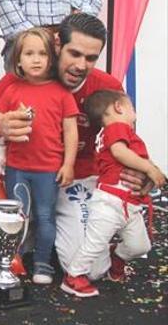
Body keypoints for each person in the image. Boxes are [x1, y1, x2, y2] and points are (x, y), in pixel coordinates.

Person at [0, 13, 134, 280]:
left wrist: (138, 174)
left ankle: (58, 230)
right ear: (57, 45)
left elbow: (126, 141)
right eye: (74, 53)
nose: (80, 65)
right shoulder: (21, 79)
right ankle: (33, 230)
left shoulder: (107, 87)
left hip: (74, 181)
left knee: (92, 271)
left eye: (91, 58)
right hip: (21, 176)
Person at [0, 27, 79, 284]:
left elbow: (71, 133)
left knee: (45, 215)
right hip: (17, 168)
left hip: (48, 170)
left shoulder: (62, 94)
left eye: (42, 53)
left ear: (51, 59)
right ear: (17, 60)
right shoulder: (11, 91)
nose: (36, 59)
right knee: (17, 215)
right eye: (29, 53)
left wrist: (68, 164)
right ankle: (14, 258)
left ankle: (43, 264)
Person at [61, 90, 165, 297]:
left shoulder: (119, 132)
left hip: (130, 203)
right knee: (93, 243)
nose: (134, 114)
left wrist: (151, 173)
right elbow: (119, 152)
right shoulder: (116, 127)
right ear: (119, 107)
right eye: (132, 108)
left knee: (139, 245)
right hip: (110, 201)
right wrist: (149, 168)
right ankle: (73, 277)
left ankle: (116, 256)